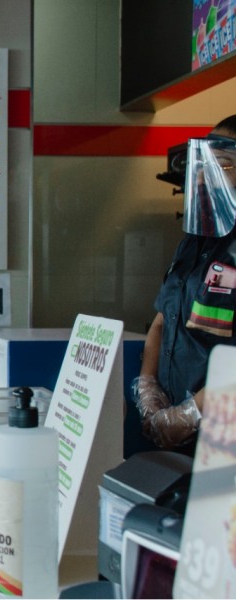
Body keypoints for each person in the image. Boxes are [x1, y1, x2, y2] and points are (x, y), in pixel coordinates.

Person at [134, 114, 236, 453]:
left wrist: (190, 415)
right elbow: (164, 320)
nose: (208, 175)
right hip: (172, 433)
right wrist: (149, 392)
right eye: (205, 164)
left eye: (222, 165)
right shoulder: (195, 242)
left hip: (222, 442)